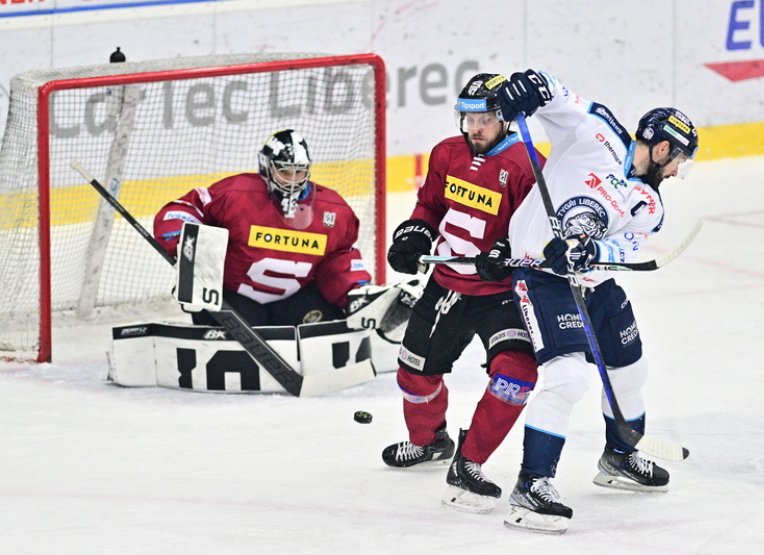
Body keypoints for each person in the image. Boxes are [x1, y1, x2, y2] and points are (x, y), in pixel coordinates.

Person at [482, 69, 698, 533]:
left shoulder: (650, 204)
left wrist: (589, 250)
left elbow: (625, 250)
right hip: (542, 278)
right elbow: (555, 95)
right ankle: (532, 485)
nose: (679, 171)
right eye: (680, 159)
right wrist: (531, 87)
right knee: (566, 377)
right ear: (663, 149)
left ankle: (619, 458)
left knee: (630, 372)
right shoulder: (596, 132)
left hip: (595, 283)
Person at [381, 73, 543, 513]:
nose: (474, 129)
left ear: (506, 120)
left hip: (503, 293)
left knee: (517, 376)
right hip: (448, 283)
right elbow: (431, 205)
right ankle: (429, 440)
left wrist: (508, 252)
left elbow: (539, 233)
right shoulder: (446, 152)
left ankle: (469, 462)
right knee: (414, 374)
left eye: (485, 119)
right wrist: (414, 233)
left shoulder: (530, 166)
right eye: (468, 119)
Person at [153, 129, 373, 327]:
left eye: (299, 172)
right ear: (267, 167)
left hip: (293, 304)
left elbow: (338, 261)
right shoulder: (237, 195)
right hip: (235, 299)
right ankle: (205, 303)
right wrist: (181, 238)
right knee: (233, 318)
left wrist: (356, 293)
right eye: (285, 172)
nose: (293, 181)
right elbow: (190, 207)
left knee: (332, 317)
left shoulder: (333, 210)